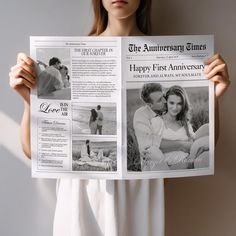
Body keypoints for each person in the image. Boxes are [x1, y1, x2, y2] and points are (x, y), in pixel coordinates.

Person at [8, 0, 230, 235]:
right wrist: (28, 100)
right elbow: (34, 152)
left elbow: (202, 151)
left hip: (141, 192)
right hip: (82, 193)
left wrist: (214, 96)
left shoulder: (169, 55)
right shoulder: (75, 53)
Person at [158, 85, 209, 169]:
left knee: (207, 128)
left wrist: (194, 149)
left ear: (184, 104)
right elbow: (153, 145)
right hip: (176, 165)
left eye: (179, 103)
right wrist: (183, 145)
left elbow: (192, 141)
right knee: (205, 158)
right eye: (171, 103)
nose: (175, 108)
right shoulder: (158, 121)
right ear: (166, 102)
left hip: (191, 156)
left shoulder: (184, 122)